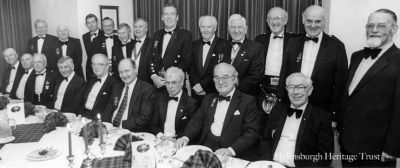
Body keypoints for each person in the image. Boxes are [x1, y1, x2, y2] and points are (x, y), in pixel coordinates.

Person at [338, 8, 400, 167]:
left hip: (377, 149)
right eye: (370, 26)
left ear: (394, 29)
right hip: (348, 144)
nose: (373, 30)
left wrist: (392, 148)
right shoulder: (356, 56)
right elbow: (348, 96)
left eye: (381, 26)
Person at [175, 63, 260, 160]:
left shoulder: (247, 101)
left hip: (231, 154)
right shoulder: (208, 98)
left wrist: (230, 150)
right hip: (206, 150)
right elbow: (196, 121)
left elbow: (251, 132)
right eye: (217, 77)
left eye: (225, 77)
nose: (220, 81)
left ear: (235, 79)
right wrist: (185, 137)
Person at [285, 5, 348, 119]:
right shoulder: (292, 43)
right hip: (293, 106)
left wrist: (335, 117)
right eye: (309, 21)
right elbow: (284, 74)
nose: (313, 25)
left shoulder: (337, 47)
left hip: (322, 110)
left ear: (324, 22)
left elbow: (340, 86)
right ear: (303, 21)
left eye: (318, 21)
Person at [259, 73, 333, 167]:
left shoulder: (321, 118)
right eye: (291, 87)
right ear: (286, 89)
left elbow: (324, 157)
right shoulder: (277, 110)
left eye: (301, 87)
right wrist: (267, 164)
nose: (295, 92)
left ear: (309, 90)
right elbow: (266, 140)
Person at [255, 7, 297, 103]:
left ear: (285, 21)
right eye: (271, 18)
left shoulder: (294, 40)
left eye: (278, 18)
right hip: (263, 87)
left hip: (285, 86)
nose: (274, 22)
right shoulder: (259, 39)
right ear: (267, 21)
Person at [103, 58, 155, 132]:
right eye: (121, 72)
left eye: (127, 71)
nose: (124, 75)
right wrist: (106, 125)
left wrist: (120, 126)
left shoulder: (147, 89)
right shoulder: (117, 87)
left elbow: (144, 118)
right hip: (110, 130)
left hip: (131, 131)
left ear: (135, 70)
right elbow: (108, 109)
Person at [150, 3, 192, 89]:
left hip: (175, 83)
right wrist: (153, 76)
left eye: (172, 14)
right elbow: (151, 58)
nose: (169, 17)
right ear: (162, 17)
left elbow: (187, 61)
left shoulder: (185, 35)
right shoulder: (156, 35)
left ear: (177, 17)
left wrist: (170, 76)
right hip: (158, 83)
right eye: (166, 14)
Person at [221, 14, 264, 96]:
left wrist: (232, 89)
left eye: (239, 27)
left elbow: (256, 76)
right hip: (223, 93)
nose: (236, 30)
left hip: (245, 97)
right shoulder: (222, 46)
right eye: (233, 27)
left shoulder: (256, 48)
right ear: (228, 30)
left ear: (246, 29)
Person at [151, 67, 198, 140]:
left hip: (179, 143)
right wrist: (161, 136)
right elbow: (153, 124)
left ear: (182, 82)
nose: (170, 86)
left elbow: (192, 130)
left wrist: (177, 139)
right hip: (160, 140)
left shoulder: (191, 103)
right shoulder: (159, 99)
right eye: (167, 82)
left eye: (174, 82)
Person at [189, 15, 226, 100]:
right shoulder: (194, 45)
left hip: (213, 92)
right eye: (203, 27)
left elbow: (219, 70)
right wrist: (196, 85)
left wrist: (202, 86)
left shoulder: (223, 45)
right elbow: (191, 69)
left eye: (209, 27)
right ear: (200, 28)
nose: (205, 30)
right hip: (196, 94)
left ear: (215, 28)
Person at [80, 54, 120, 119]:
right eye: (94, 64)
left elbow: (111, 109)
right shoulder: (90, 81)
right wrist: (80, 115)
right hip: (83, 117)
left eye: (100, 64)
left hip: (98, 119)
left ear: (107, 66)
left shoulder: (115, 84)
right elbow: (82, 102)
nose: (96, 67)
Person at [82, 14, 105, 80]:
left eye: (93, 22)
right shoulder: (85, 36)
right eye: (88, 23)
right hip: (90, 67)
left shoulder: (104, 34)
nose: (91, 25)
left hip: (102, 67)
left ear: (97, 22)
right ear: (86, 25)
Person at [132, 18, 153, 84]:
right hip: (131, 81)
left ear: (146, 29)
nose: (137, 29)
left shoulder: (152, 43)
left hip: (146, 82)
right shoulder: (130, 44)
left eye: (140, 26)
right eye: (135, 27)